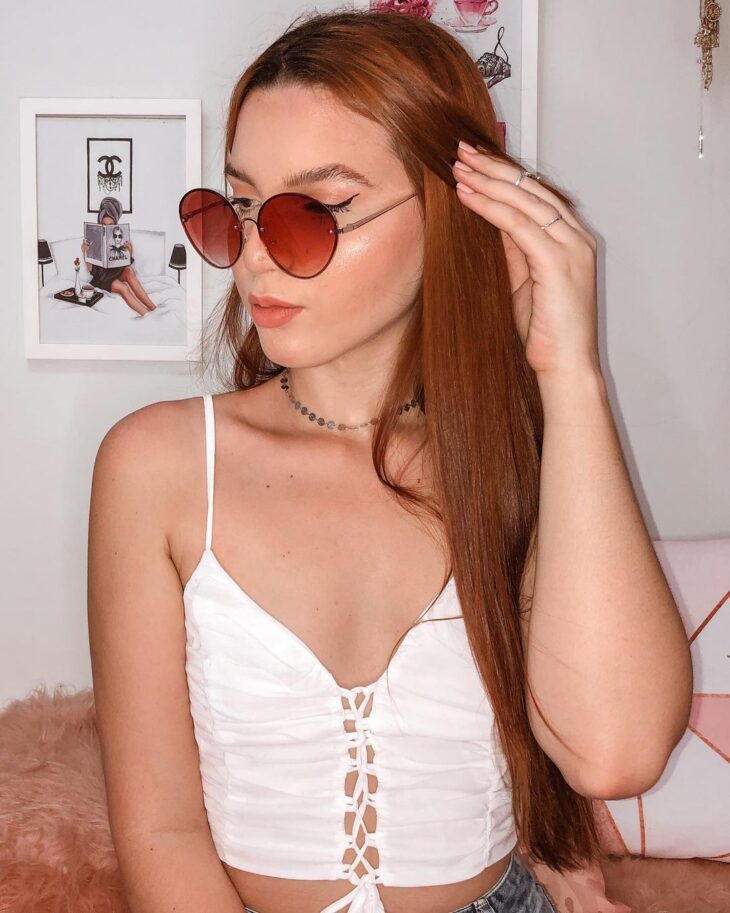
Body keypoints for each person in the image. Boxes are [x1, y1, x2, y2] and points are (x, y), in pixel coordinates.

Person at [86, 9, 693, 913]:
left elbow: (617, 753)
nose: (254, 258)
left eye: (313, 212)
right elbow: (161, 830)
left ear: (452, 209)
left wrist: (568, 372)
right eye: (239, 207)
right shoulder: (158, 465)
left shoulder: (513, 455)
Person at [80, 195, 158, 316]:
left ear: (115, 224)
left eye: (111, 224)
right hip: (101, 278)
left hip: (114, 272)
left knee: (129, 271)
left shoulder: (118, 235)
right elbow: (91, 270)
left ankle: (154, 308)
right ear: (100, 224)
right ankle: (146, 314)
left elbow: (124, 264)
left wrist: (129, 251)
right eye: (104, 224)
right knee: (123, 288)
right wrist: (85, 252)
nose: (107, 227)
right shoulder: (94, 238)